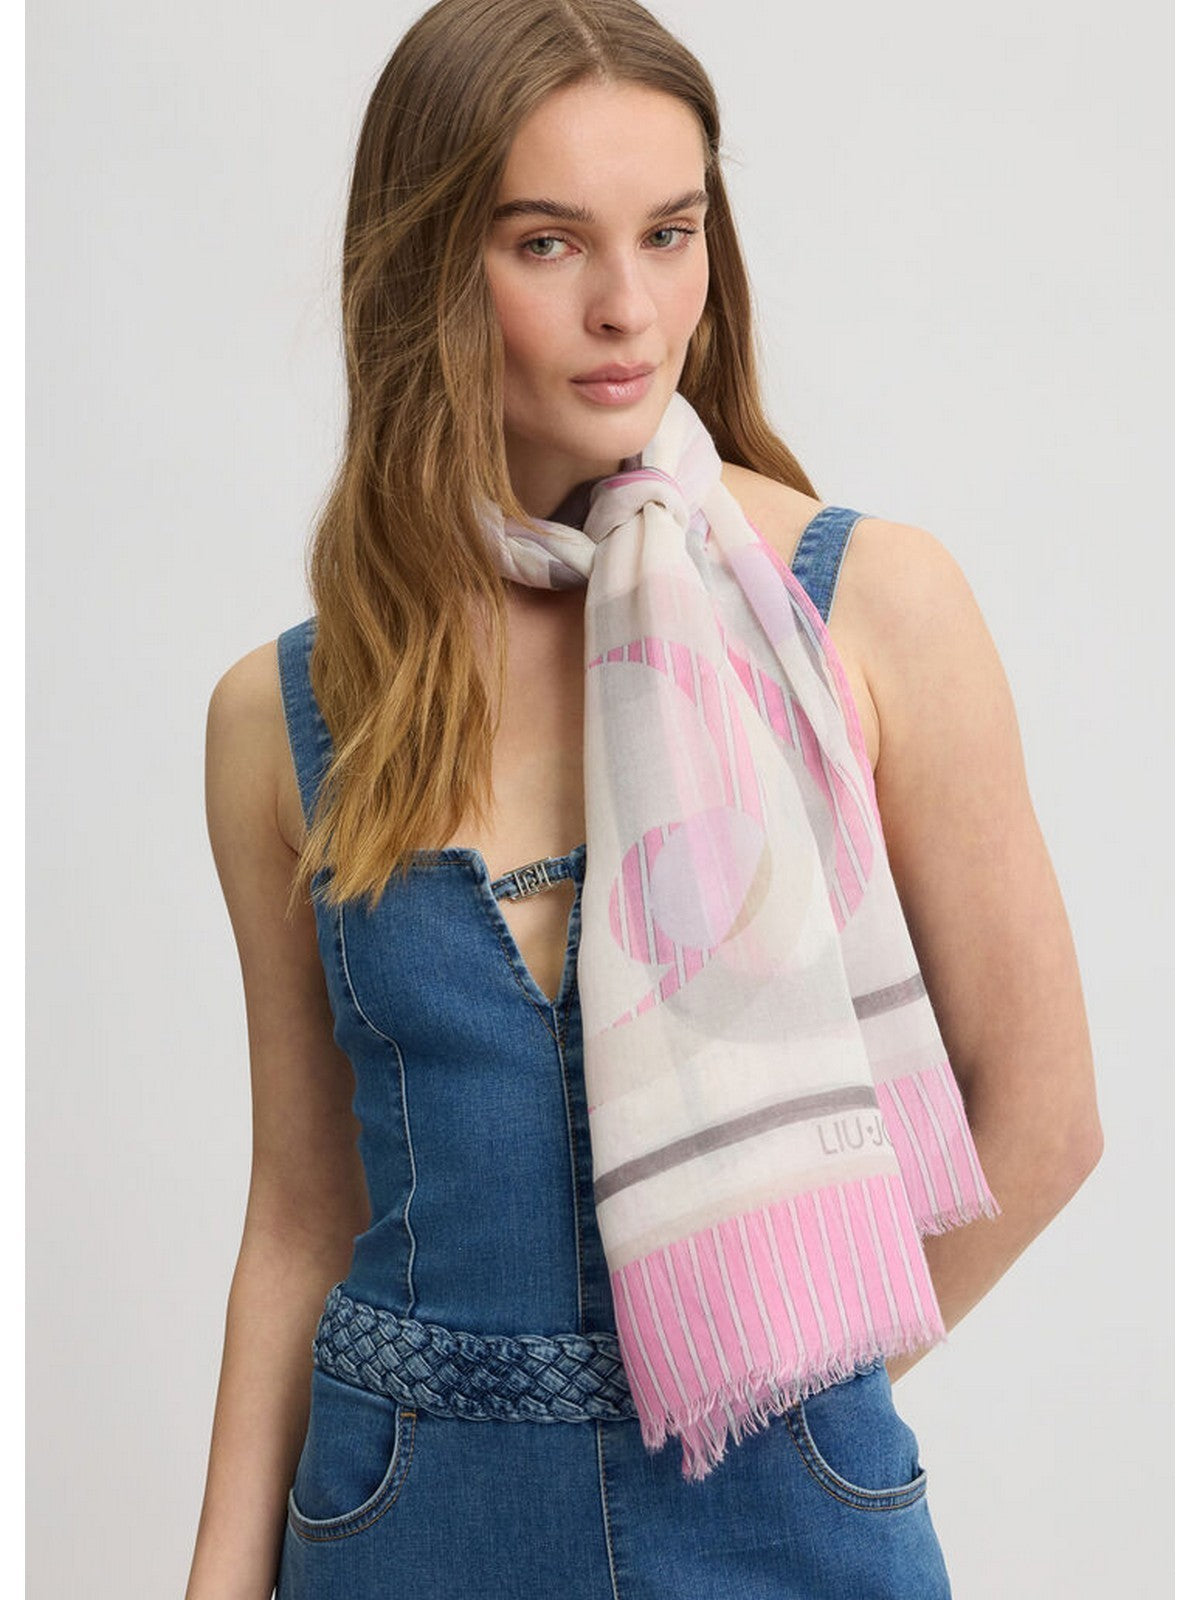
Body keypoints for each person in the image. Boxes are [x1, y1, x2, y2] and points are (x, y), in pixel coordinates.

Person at [185, 1, 1103, 1595]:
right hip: (408, 1517)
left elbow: (1042, 1114)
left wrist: (779, 1369)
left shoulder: (866, 608)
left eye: (669, 233)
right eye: (547, 243)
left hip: (781, 1512)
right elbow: (302, 1214)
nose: (628, 307)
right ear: (424, 272)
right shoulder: (287, 716)